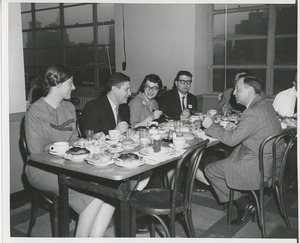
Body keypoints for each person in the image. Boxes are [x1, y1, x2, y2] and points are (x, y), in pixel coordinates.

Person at [25, 64, 116, 237]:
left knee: (109, 193)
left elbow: (74, 140)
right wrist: (65, 150)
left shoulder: (69, 108)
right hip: (41, 170)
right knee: (94, 197)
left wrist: (89, 141)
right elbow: (36, 153)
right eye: (70, 83)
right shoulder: (35, 112)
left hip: (68, 165)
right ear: (57, 84)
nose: (74, 87)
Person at [201, 75, 283, 225]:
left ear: (250, 90)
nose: (233, 93)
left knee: (210, 170)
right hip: (272, 163)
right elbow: (256, 128)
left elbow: (232, 141)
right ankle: (243, 195)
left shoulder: (251, 112)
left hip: (258, 168)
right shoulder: (264, 104)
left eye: (238, 89)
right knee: (228, 157)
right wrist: (238, 127)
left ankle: (243, 204)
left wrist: (210, 126)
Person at [80, 72, 131, 138]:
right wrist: (114, 133)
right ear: (114, 90)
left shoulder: (125, 108)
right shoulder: (93, 107)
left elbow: (127, 128)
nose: (129, 93)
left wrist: (130, 131)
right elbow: (90, 137)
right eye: (126, 89)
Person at [273, 71, 297, 193]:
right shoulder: (281, 96)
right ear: (294, 82)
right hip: (285, 135)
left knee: (294, 153)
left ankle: (293, 180)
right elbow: (273, 118)